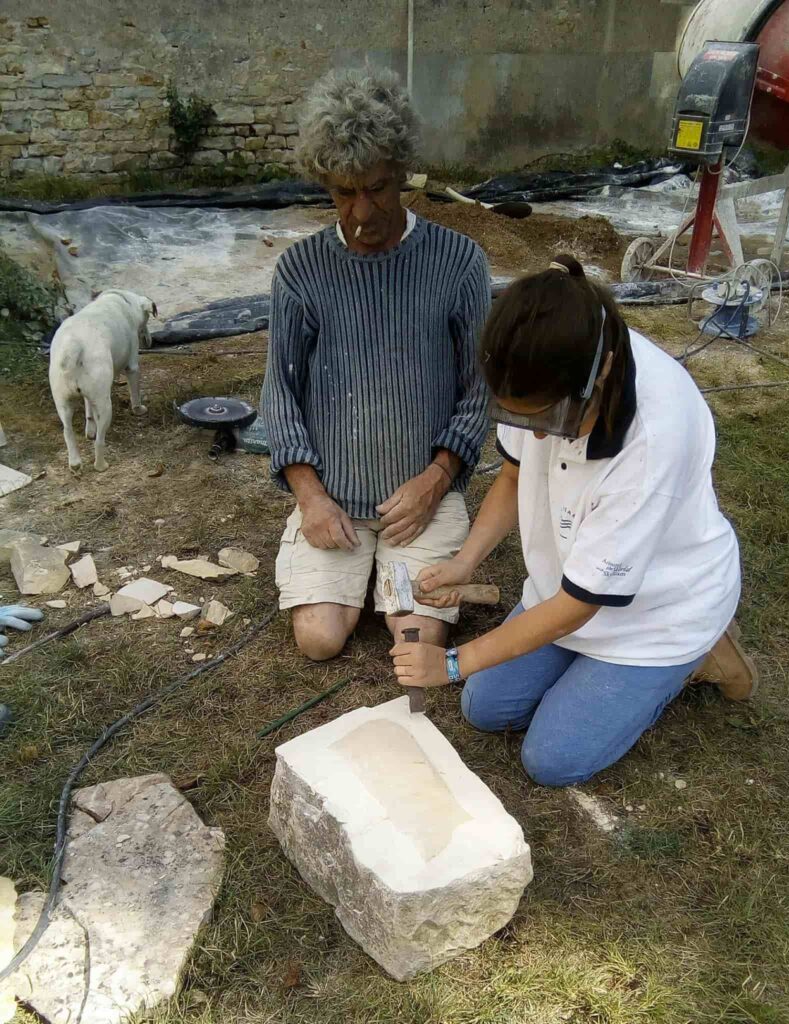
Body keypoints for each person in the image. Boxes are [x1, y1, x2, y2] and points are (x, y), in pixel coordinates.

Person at [391, 255, 757, 788]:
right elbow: (515, 476)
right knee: (484, 707)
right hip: (566, 587)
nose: (536, 436)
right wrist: (464, 562)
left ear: (600, 373)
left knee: (552, 760)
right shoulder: (536, 365)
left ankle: (697, 652)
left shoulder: (654, 439)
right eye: (521, 417)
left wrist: (450, 663)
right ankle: (589, 672)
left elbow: (579, 605)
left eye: (548, 418)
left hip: (655, 614)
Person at [261, 67, 490, 660]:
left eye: (379, 188)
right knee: (318, 641)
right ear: (324, 186)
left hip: (420, 500)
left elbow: (477, 387)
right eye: (344, 192)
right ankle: (356, 582)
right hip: (335, 500)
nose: (363, 211)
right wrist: (310, 497)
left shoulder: (458, 260)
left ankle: (387, 587)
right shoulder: (301, 271)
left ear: (404, 176)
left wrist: (438, 479)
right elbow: (280, 393)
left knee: (414, 638)